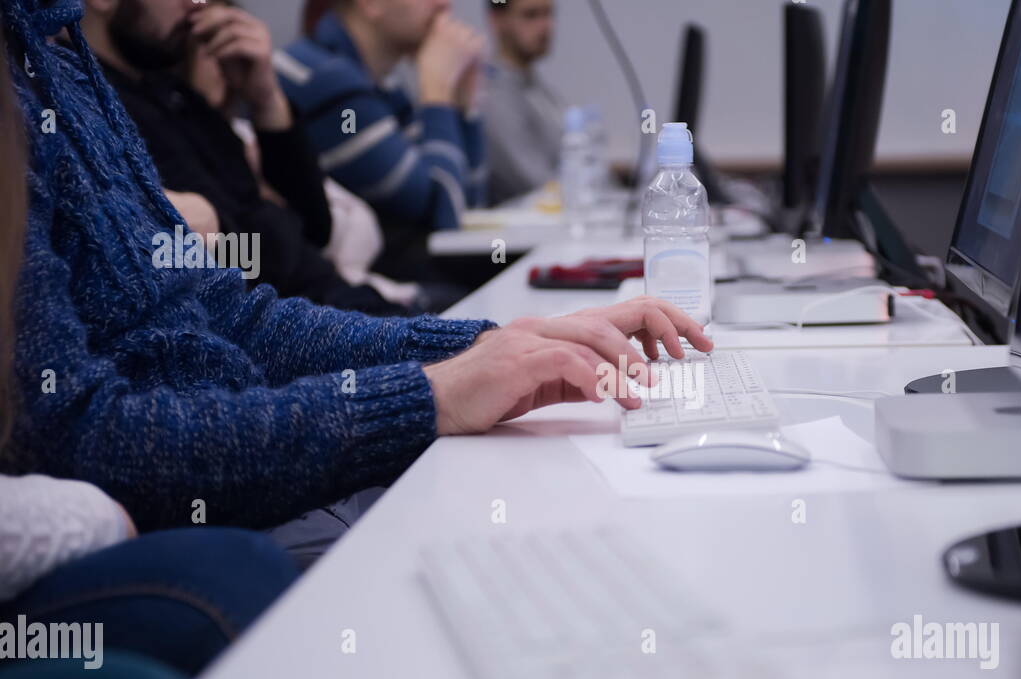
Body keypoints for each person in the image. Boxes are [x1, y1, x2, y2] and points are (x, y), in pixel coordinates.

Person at [2, 0, 710, 565]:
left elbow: (236, 316)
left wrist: (485, 345)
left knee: (555, 504)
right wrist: (425, 395)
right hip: (196, 523)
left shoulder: (63, 65)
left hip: (255, 465)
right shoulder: (26, 84)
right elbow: (84, 438)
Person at [0, 21, 299, 679]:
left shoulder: (62, 63)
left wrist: (449, 361)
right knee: (241, 580)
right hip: (113, 490)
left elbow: (258, 277)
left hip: (134, 480)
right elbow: (80, 426)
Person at [80, 0, 412, 316]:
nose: (198, 5)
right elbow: (235, 260)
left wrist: (267, 103)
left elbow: (315, 229)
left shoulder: (171, 94)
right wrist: (269, 231)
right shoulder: (93, 112)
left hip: (338, 307)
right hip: (297, 332)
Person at [279, 0, 487, 279]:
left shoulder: (381, 83)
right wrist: (438, 93)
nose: (444, 4)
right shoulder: (325, 80)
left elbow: (469, 205)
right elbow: (444, 218)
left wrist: (464, 105)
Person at [480, 0, 565, 204]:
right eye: (531, 15)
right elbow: (539, 183)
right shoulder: (492, 95)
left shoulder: (536, 88)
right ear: (497, 20)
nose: (545, 26)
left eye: (548, 14)